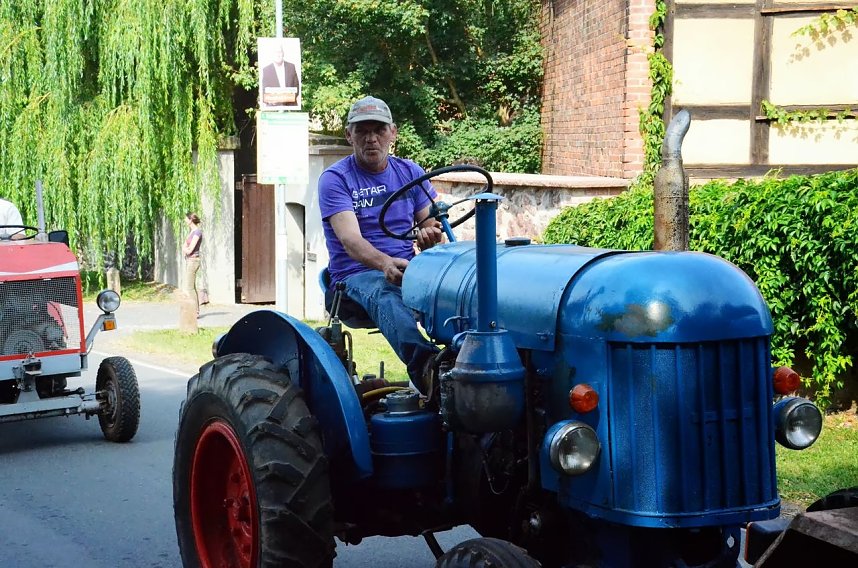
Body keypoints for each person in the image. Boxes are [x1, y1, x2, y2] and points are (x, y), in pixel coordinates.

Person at [318, 96, 444, 393]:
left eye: (379, 129)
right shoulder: (336, 179)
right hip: (354, 279)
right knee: (384, 290)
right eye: (362, 131)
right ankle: (430, 372)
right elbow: (350, 241)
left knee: (465, 290)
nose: (371, 138)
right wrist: (385, 263)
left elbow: (431, 225)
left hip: (407, 269)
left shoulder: (410, 173)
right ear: (349, 135)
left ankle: (470, 364)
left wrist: (429, 237)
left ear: (393, 133)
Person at [182, 212, 203, 316]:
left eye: (186, 218)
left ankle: (195, 312)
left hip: (193, 260)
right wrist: (185, 248)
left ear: (190, 220)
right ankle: (196, 310)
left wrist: (185, 249)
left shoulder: (197, 232)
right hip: (190, 260)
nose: (185, 220)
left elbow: (189, 249)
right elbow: (185, 246)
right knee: (192, 287)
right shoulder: (192, 232)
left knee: (189, 287)